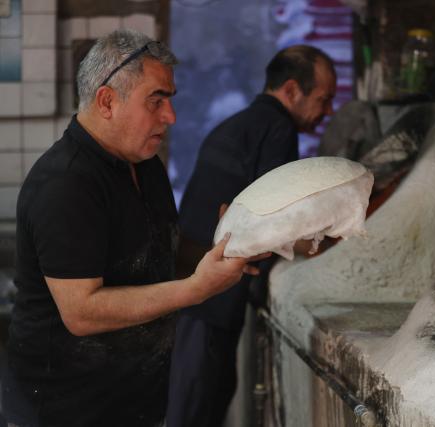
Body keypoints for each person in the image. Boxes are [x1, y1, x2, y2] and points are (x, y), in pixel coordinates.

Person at [2, 29, 267, 427]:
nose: (171, 117)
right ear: (107, 101)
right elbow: (82, 312)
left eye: (169, 101)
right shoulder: (66, 183)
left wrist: (229, 247)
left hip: (132, 404)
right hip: (63, 411)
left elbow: (162, 253)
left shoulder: (145, 166)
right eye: (156, 100)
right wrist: (196, 290)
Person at [167, 45, 336, 427]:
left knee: (195, 402)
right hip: (208, 297)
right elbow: (276, 221)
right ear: (291, 90)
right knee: (198, 406)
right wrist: (324, 241)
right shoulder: (277, 129)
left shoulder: (240, 124)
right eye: (323, 100)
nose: (327, 113)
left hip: (191, 290)